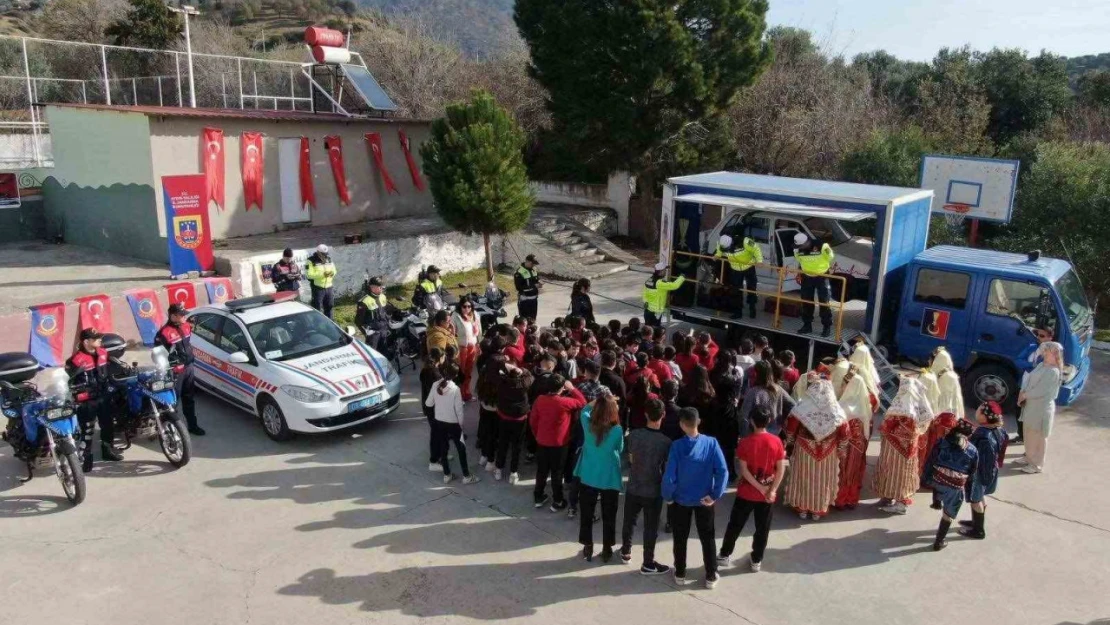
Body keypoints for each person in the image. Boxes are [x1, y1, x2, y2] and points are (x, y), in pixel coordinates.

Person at [661, 407, 729, 589]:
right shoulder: (712, 443)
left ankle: (681, 572)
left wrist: (668, 496)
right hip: (704, 500)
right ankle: (710, 574)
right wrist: (715, 494)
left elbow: (669, 477)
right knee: (707, 537)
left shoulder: (676, 446)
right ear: (698, 422)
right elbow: (722, 471)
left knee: (680, 537)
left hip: (681, 501)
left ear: (682, 425)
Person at [718, 405, 787, 573]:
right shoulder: (776, 441)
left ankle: (725, 554)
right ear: (769, 421)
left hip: (746, 493)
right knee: (762, 528)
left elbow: (744, 470)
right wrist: (771, 490)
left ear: (751, 421)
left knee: (735, 525)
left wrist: (759, 487)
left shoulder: (745, 443)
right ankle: (757, 559)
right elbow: (781, 469)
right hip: (767, 496)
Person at [783, 378, 850, 520]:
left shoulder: (803, 406)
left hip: (804, 448)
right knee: (822, 480)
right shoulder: (836, 409)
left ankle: (802, 508)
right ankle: (817, 509)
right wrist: (841, 450)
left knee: (804, 477)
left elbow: (791, 427)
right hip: (828, 451)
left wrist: (790, 443)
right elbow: (844, 432)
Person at [620, 398, 672, 574]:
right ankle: (648, 562)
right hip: (653, 489)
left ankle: (626, 551)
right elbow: (666, 467)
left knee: (629, 521)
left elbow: (631, 458)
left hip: (634, 485)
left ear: (645, 414)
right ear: (663, 415)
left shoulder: (633, 435)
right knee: (651, 526)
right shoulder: (665, 442)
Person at [575, 392, 625, 562]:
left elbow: (584, 411)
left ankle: (587, 545)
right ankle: (607, 547)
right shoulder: (617, 430)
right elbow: (620, 449)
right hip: (609, 478)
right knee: (609, 514)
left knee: (587, 512)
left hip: (588, 475)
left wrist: (599, 400)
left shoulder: (588, 425)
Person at [875, 377, 935, 514]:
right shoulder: (917, 404)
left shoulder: (902, 404)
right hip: (908, 447)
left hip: (894, 448)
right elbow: (926, 418)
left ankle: (900, 503)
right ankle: (890, 496)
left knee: (895, 472)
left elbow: (887, 425)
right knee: (901, 473)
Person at [66, 328, 123, 470]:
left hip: (104, 397)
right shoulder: (75, 360)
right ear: (86, 342)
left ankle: (108, 451)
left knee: (107, 425)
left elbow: (111, 369)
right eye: (96, 338)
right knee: (87, 430)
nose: (100, 340)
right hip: (87, 401)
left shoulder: (103, 352)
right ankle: (85, 458)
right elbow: (69, 382)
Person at [530, 376, 586, 511]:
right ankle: (558, 500)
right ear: (562, 388)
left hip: (542, 441)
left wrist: (537, 435)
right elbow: (582, 402)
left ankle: (538, 496)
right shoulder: (565, 402)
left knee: (542, 470)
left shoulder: (539, 400)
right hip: (559, 443)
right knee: (557, 472)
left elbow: (533, 421)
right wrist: (572, 389)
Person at [922, 419, 978, 551]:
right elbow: (972, 473)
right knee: (948, 514)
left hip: (937, 479)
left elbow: (931, 461)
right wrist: (969, 489)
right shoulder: (973, 450)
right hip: (955, 487)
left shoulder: (941, 442)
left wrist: (926, 478)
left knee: (937, 483)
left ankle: (936, 501)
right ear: (969, 436)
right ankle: (939, 541)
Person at [425, 364, 479, 484]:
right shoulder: (455, 389)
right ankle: (466, 476)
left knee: (443, 448)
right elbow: (459, 410)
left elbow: (428, 403)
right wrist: (460, 424)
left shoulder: (435, 385)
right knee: (461, 449)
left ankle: (447, 474)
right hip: (454, 423)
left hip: (439, 422)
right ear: (455, 375)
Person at [961, 401, 1008, 540]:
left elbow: (977, 457)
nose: (976, 411)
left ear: (985, 416)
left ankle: (978, 530)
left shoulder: (983, 436)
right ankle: (976, 521)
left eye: (980, 409)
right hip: (990, 470)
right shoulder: (1000, 431)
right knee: (980, 496)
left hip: (980, 472)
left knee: (976, 499)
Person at [155, 303, 204, 436]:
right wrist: (172, 365)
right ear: (173, 316)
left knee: (189, 398)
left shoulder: (186, 326)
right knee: (173, 402)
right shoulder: (163, 334)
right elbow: (159, 356)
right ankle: (173, 430)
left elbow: (187, 345)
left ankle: (192, 426)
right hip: (174, 372)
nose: (184, 317)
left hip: (189, 367)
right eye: (182, 315)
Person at [1017, 341, 1064, 474]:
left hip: (1041, 409)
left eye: (1046, 351)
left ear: (1054, 353)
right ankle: (1028, 457)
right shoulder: (1041, 365)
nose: (1043, 353)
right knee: (1028, 433)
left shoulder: (1053, 372)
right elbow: (1029, 379)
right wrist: (1023, 391)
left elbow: (1042, 391)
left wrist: (1025, 395)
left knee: (1037, 437)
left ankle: (1036, 464)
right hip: (1031, 406)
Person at [833, 370, 873, 509]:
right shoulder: (864, 406)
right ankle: (851, 498)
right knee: (853, 472)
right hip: (859, 446)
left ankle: (840, 499)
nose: (842, 387)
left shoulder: (844, 406)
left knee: (842, 472)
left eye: (844, 385)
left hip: (845, 447)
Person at [495, 363, 534, 484]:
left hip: (504, 417)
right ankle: (513, 472)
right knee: (517, 446)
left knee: (503, 443)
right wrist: (521, 369)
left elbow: (501, 373)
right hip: (520, 419)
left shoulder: (503, 383)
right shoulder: (524, 384)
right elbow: (529, 375)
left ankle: (499, 469)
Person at [710, 351, 745, 484]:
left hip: (715, 410)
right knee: (728, 446)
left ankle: (713, 469)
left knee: (714, 441)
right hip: (729, 411)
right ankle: (729, 472)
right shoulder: (733, 377)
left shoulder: (713, 373)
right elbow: (737, 392)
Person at [740, 360, 797, 438]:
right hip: (774, 433)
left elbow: (744, 416)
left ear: (756, 374)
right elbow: (793, 405)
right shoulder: (778, 389)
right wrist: (781, 418)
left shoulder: (753, 392)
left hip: (756, 434)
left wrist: (745, 436)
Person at [793, 232, 835, 337]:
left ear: (807, 242)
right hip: (807, 277)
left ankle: (826, 327)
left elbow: (830, 257)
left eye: (800, 245)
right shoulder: (797, 249)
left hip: (822, 276)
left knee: (824, 302)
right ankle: (807, 325)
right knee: (806, 302)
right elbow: (799, 260)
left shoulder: (822, 245)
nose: (799, 248)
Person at [714, 234, 763, 319]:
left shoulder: (745, 241)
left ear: (732, 243)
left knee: (751, 288)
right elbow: (719, 250)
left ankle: (752, 308)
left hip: (749, 266)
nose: (727, 251)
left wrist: (759, 261)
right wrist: (717, 255)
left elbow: (756, 248)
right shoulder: (721, 243)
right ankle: (737, 312)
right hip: (735, 269)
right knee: (735, 291)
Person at [476, 354, 506, 471]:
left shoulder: (484, 374)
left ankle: (484, 456)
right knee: (493, 436)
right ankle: (490, 461)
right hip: (496, 411)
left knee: (486, 433)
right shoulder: (501, 378)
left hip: (484, 408)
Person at [354, 276, 397, 353]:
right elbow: (358, 321)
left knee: (385, 353)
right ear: (372, 287)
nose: (382, 288)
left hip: (384, 330)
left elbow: (385, 312)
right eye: (379, 287)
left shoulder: (383, 296)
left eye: (382, 286)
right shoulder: (364, 302)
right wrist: (367, 332)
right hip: (373, 334)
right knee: (373, 354)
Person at [420, 348, 446, 471]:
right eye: (443, 356)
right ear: (439, 358)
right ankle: (434, 461)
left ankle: (441, 454)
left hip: (430, 407)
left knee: (439, 433)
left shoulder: (429, 370)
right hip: (434, 408)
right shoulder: (433, 373)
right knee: (436, 434)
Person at [453, 296, 483, 402]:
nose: (467, 309)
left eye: (469, 306)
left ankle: (467, 392)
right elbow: (452, 334)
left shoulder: (475, 315)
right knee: (461, 371)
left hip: (472, 347)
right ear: (460, 307)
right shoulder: (455, 316)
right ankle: (460, 395)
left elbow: (479, 332)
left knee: (469, 372)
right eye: (464, 306)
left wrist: (479, 344)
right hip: (462, 348)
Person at [642, 262, 686, 327]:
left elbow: (644, 293)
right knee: (654, 331)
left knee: (648, 329)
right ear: (661, 272)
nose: (666, 272)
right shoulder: (660, 283)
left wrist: (645, 301)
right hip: (656, 312)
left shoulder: (649, 280)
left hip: (647, 311)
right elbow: (674, 285)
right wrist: (682, 277)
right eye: (665, 270)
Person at [304, 243, 337, 318]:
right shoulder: (310, 260)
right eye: (323, 254)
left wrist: (332, 273)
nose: (325, 255)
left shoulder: (329, 259)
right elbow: (309, 275)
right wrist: (323, 274)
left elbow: (334, 270)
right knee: (317, 307)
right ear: (318, 252)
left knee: (330, 306)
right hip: (318, 288)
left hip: (329, 287)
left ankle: (330, 323)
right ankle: (318, 324)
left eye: (325, 254)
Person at [598, 351, 627, 429]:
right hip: (613, 417)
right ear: (614, 363)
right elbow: (623, 401)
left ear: (601, 361)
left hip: (596, 414)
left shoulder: (596, 376)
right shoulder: (618, 380)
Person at [515, 254, 542, 322]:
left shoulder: (534, 270)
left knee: (533, 320)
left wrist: (539, 282)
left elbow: (537, 279)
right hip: (525, 300)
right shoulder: (519, 272)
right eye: (532, 263)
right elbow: (519, 287)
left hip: (534, 300)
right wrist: (534, 286)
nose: (533, 265)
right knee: (524, 321)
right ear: (527, 261)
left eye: (534, 264)